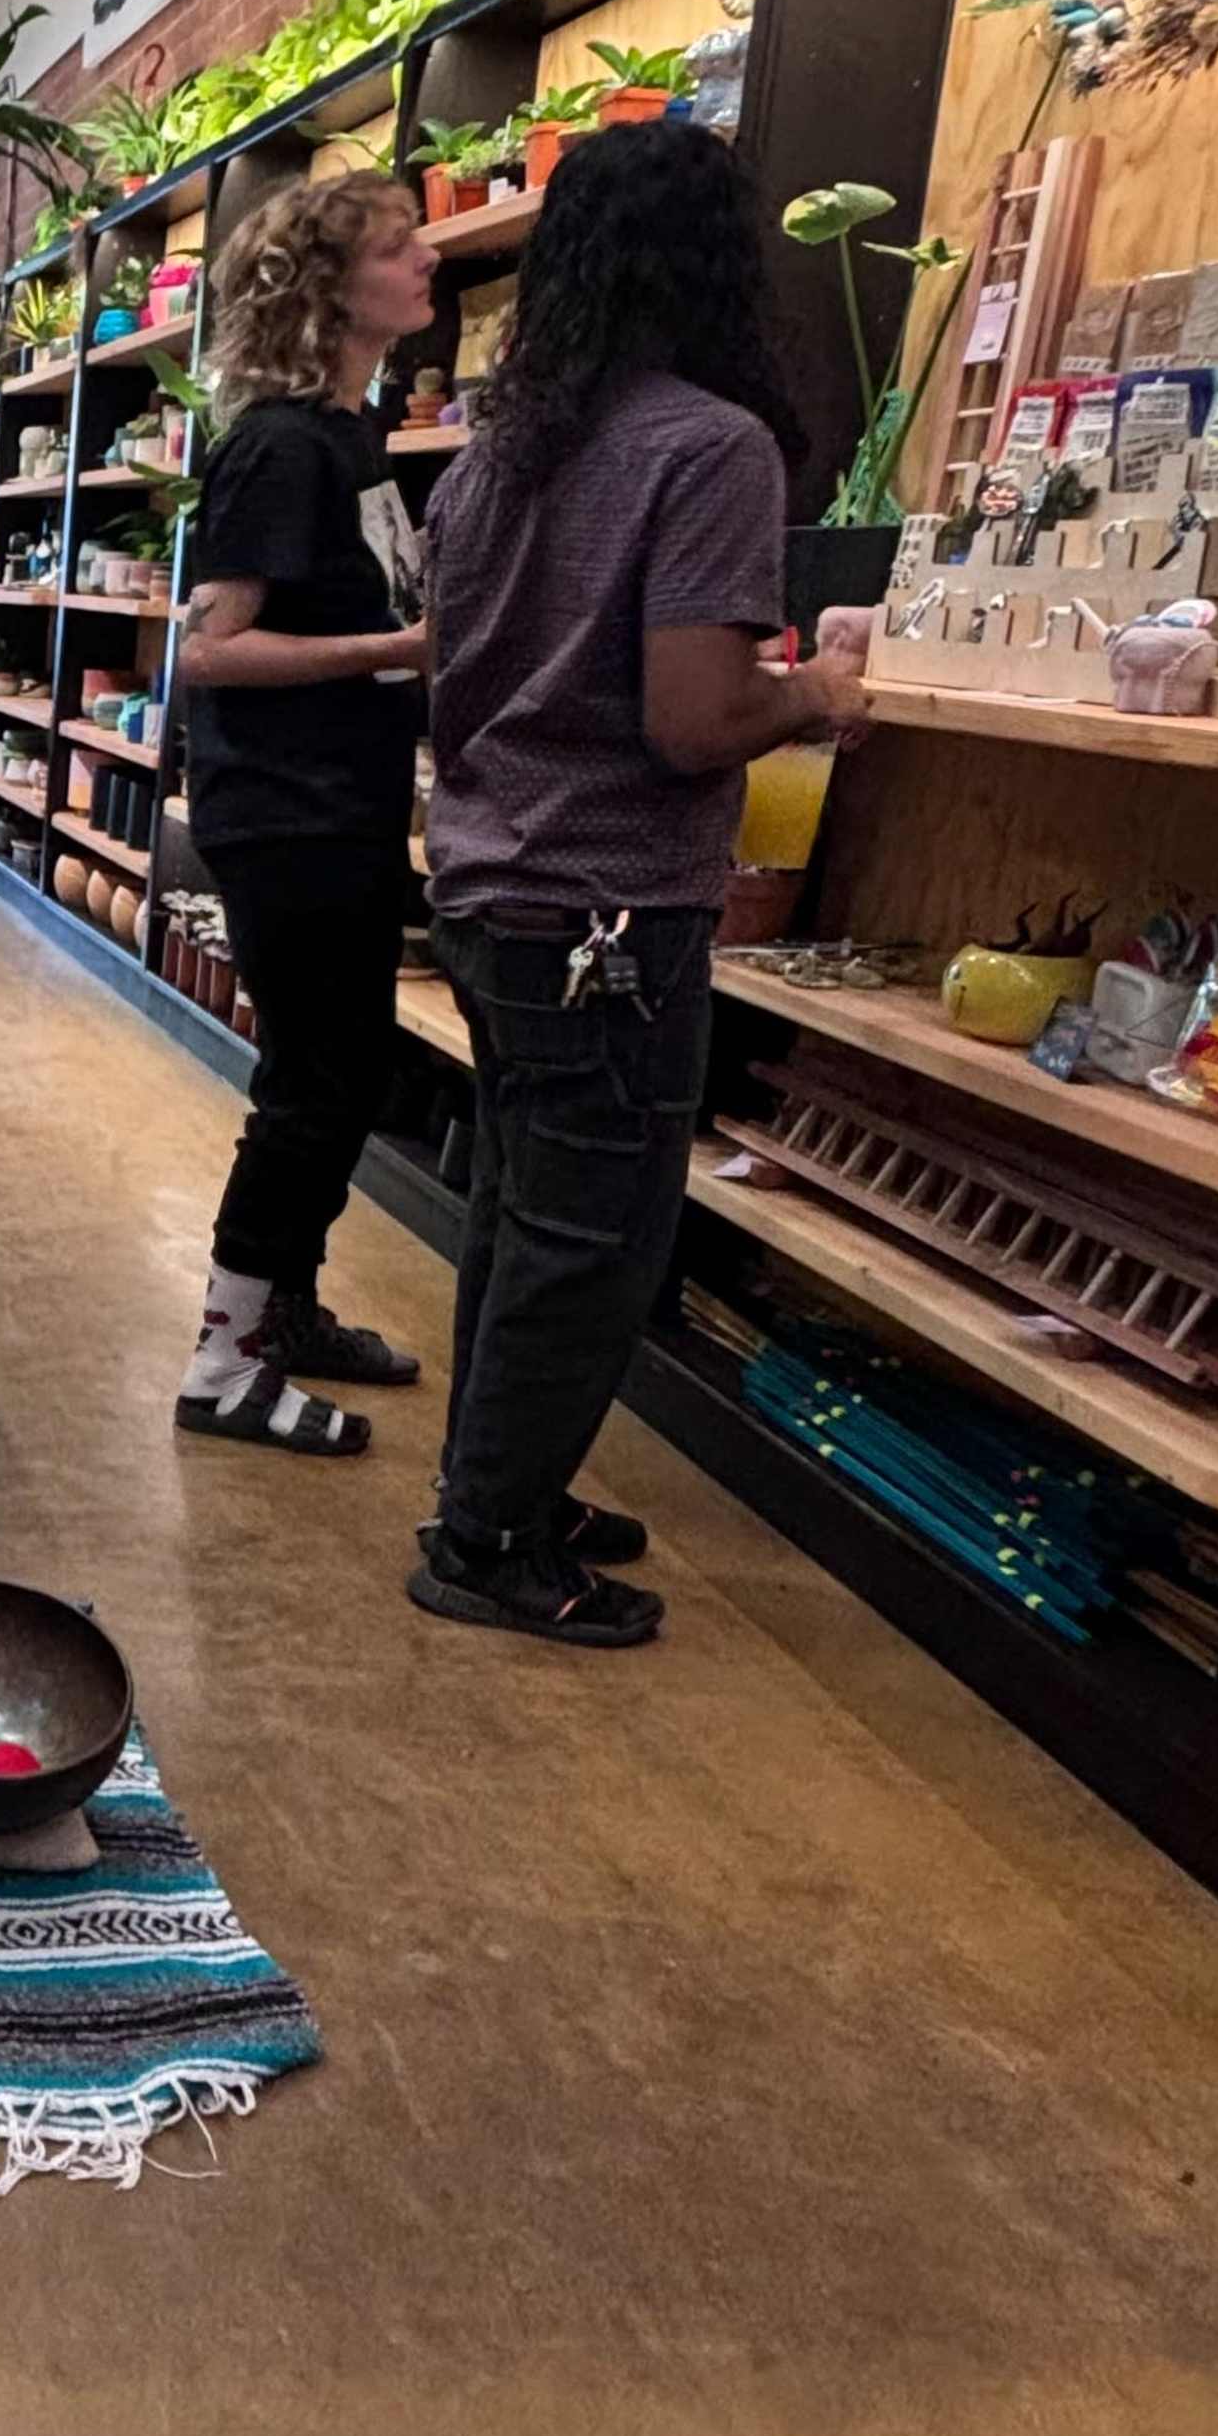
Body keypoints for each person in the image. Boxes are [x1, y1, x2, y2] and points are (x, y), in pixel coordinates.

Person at [410, 115, 872, 1645]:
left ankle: (499, 1488)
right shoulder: (710, 447)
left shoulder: (495, 460)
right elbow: (692, 720)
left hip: (491, 886)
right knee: (590, 1239)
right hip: (612, 904)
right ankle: (485, 1540)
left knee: (522, 1216)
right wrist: (819, 695)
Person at [169, 164, 443, 1454]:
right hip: (284, 808)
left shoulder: (352, 434)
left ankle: (288, 1312)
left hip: (337, 801)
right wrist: (398, 652)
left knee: (336, 1071)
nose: (428, 260)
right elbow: (210, 652)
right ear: (333, 289)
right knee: (318, 1083)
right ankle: (224, 1363)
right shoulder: (281, 445)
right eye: (401, 247)